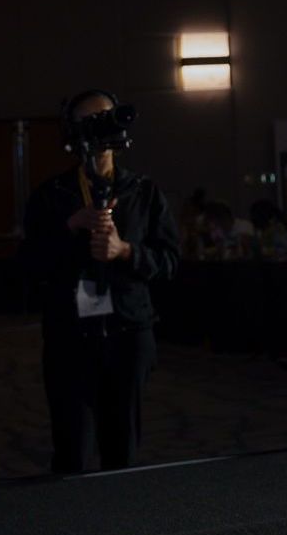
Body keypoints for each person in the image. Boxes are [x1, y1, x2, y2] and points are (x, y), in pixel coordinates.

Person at [19, 90, 179, 474]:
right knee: (71, 452)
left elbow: (170, 261)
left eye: (107, 117)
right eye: (90, 120)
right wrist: (69, 226)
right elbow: (27, 265)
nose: (102, 127)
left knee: (121, 451)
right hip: (69, 336)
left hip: (128, 333)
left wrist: (125, 251)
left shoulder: (143, 191)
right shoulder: (52, 195)